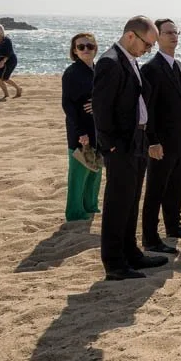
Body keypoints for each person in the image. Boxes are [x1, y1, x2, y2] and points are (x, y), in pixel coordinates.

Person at [91, 16, 166, 280]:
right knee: (117, 204)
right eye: (147, 44)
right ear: (131, 36)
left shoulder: (131, 60)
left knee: (132, 201)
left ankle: (131, 252)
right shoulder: (110, 62)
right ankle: (114, 262)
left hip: (137, 140)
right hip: (120, 145)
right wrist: (109, 146)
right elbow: (101, 109)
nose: (149, 50)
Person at [141, 19, 181, 253]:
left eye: (175, 32)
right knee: (155, 189)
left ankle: (174, 226)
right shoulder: (150, 69)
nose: (173, 36)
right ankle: (149, 236)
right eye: (167, 33)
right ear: (156, 37)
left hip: (179, 139)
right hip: (160, 141)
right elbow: (148, 110)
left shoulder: (178, 65)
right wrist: (152, 141)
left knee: (176, 186)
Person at [62, 33, 102, 221]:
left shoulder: (98, 70)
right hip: (81, 129)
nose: (86, 49)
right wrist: (80, 132)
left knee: (95, 169)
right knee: (79, 173)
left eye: (89, 46)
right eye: (81, 47)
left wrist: (97, 103)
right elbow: (68, 106)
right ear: (74, 51)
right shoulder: (72, 73)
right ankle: (75, 212)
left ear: (95, 48)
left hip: (99, 128)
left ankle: (90, 206)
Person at [0, 24, 22, 98]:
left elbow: (10, 52)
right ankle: (6, 95)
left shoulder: (6, 40)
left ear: (1, 31)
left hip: (10, 61)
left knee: (5, 78)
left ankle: (18, 89)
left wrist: (3, 61)